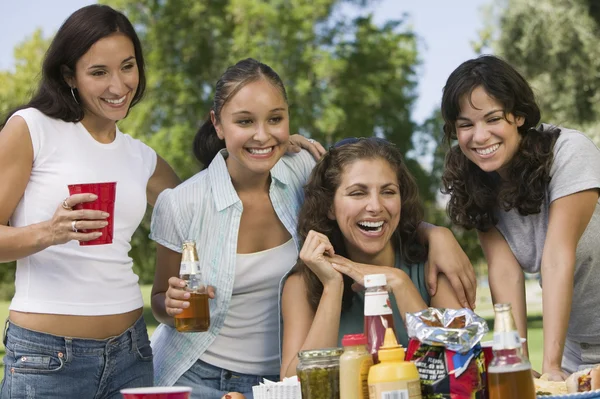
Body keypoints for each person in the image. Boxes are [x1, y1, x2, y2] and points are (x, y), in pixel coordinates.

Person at [149, 58, 475, 399]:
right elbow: (160, 301)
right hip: (201, 371)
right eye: (245, 121)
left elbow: (367, 192)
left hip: (276, 379)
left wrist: (436, 233)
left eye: (275, 119)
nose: (263, 135)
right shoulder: (182, 203)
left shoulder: (301, 167)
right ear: (217, 124)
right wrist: (171, 304)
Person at [0, 4, 183, 398]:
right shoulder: (32, 129)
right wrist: (48, 232)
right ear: (70, 75)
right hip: (47, 360)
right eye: (99, 72)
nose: (118, 86)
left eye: (127, 66)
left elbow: (201, 202)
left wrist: (268, 149)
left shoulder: (142, 157)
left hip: (132, 354)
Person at [439, 55, 600, 380]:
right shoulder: (477, 181)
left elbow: (557, 257)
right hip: (578, 348)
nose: (480, 136)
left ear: (519, 116)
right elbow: (504, 273)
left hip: (566, 355)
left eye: (492, 118)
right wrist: (520, 364)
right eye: (466, 125)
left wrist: (550, 365)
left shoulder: (570, 152)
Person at [279, 137, 463, 377]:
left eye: (388, 191)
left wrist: (400, 283)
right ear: (330, 206)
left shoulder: (432, 267)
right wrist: (332, 287)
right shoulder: (302, 283)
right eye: (357, 193)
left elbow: (460, 367)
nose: (375, 206)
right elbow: (293, 384)